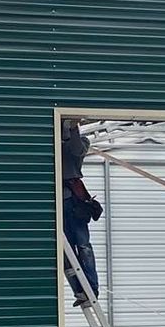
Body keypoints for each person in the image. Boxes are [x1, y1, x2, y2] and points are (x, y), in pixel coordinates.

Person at [61, 119, 103, 306]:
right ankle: (80, 290)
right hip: (59, 202)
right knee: (64, 251)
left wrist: (73, 129)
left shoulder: (80, 142)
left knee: (83, 246)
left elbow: (77, 150)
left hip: (73, 201)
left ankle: (91, 288)